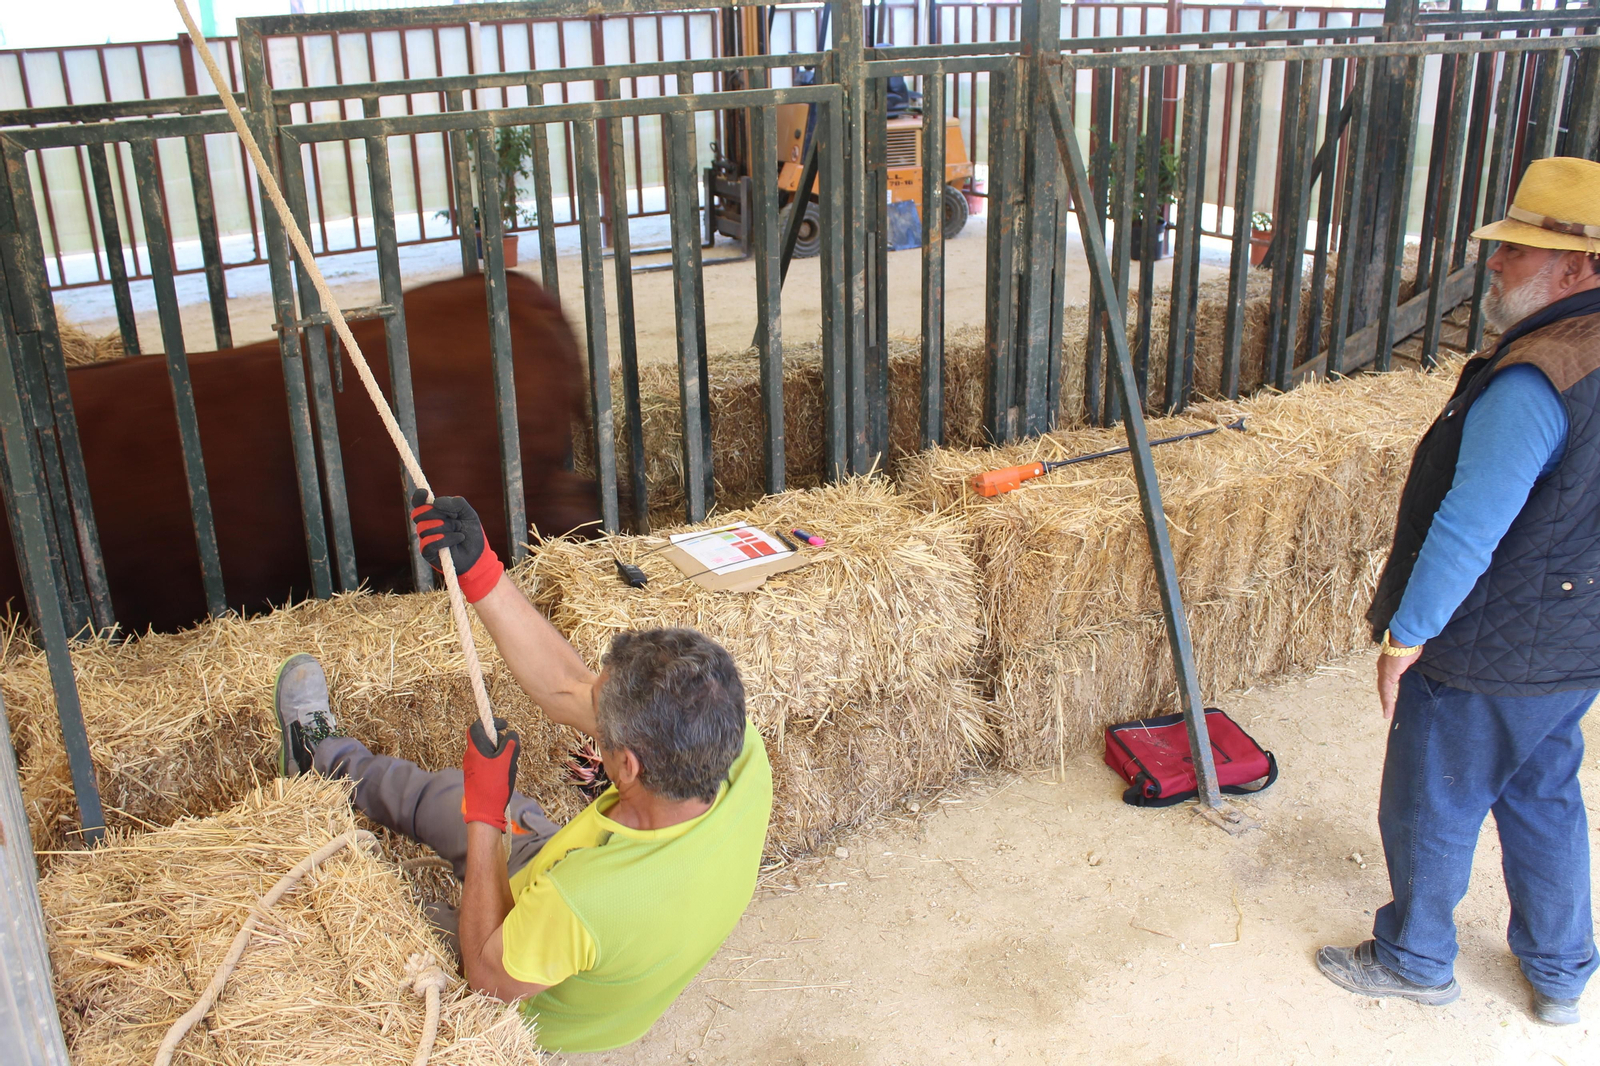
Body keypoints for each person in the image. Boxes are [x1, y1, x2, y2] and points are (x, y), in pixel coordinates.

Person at [272, 492, 773, 1053]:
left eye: (601, 725)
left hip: (528, 997)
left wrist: (487, 814)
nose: (586, 705)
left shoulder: (591, 899)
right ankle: (321, 757)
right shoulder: (735, 754)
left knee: (382, 924)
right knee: (444, 797)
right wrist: (479, 568)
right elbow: (565, 687)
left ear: (627, 766)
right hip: (568, 899)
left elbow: (489, 980)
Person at [1317, 156, 1600, 1026]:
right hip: (1575, 640)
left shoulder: (1537, 376)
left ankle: (1413, 958)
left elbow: (1469, 525)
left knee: (1431, 795)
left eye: (1517, 252)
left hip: (1490, 646)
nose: (1497, 265)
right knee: (1541, 790)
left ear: (1581, 266)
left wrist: (1409, 635)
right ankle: (1560, 973)